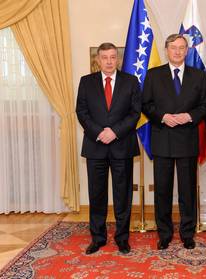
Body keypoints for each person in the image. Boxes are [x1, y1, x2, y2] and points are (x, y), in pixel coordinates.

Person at [142, 34, 206, 250]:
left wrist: (189, 116)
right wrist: (163, 116)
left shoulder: (198, 76)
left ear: (187, 50)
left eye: (182, 48)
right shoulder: (153, 75)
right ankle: (164, 233)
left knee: (187, 191)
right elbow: (146, 104)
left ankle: (187, 233)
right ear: (166, 50)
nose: (178, 52)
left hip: (187, 140)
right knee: (162, 190)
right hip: (162, 140)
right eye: (173, 48)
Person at [76, 42, 141, 254]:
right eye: (105, 57)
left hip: (122, 144)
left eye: (113, 57)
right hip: (95, 146)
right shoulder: (86, 82)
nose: (109, 61)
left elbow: (135, 113)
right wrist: (99, 132)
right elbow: (81, 112)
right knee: (97, 195)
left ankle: (122, 238)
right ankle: (98, 237)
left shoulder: (130, 81)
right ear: (98, 60)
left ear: (118, 59)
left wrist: (114, 131)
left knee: (123, 195)